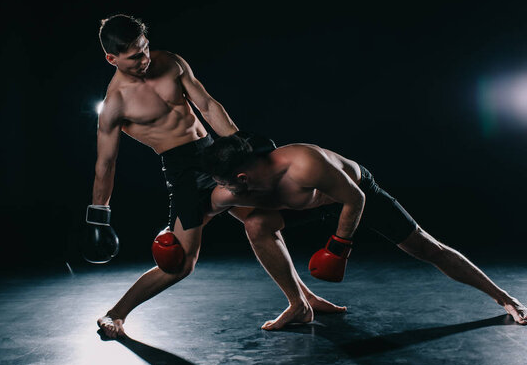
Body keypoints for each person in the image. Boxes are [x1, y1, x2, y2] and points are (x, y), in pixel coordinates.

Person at [88, 14, 341, 338]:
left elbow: (207, 106)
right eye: (135, 56)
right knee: (179, 263)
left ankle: (302, 302)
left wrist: (241, 148)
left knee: (262, 222)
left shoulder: (171, 63)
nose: (146, 58)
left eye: (146, 48)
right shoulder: (115, 104)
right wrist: (99, 214)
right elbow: (105, 164)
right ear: (112, 59)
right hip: (184, 175)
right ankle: (116, 314)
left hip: (214, 156)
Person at [202, 133, 527, 327]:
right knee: (257, 223)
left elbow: (354, 199)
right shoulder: (233, 189)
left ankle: (504, 299)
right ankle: (300, 305)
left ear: (242, 178)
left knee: (428, 249)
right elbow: (202, 212)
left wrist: (339, 247)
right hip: (310, 205)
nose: (224, 190)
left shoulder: (304, 164)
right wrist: (170, 234)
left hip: (357, 196)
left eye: (225, 183)